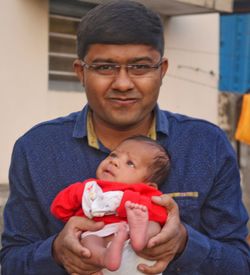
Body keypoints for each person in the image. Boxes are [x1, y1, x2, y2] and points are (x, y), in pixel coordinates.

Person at [0, 1, 249, 274]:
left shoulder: (205, 145)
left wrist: (185, 243)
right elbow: (12, 260)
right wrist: (56, 253)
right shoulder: (37, 149)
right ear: (81, 72)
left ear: (162, 70)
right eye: (105, 67)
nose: (122, 83)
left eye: (140, 67)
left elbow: (238, 262)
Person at [50, 136, 170, 274]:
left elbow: (162, 214)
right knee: (88, 243)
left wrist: (125, 201)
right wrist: (76, 193)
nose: (114, 162)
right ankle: (104, 257)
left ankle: (140, 239)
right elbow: (59, 209)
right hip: (99, 232)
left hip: (132, 236)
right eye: (113, 155)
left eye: (130, 163)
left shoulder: (144, 193)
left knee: (153, 226)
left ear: (148, 185)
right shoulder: (90, 187)